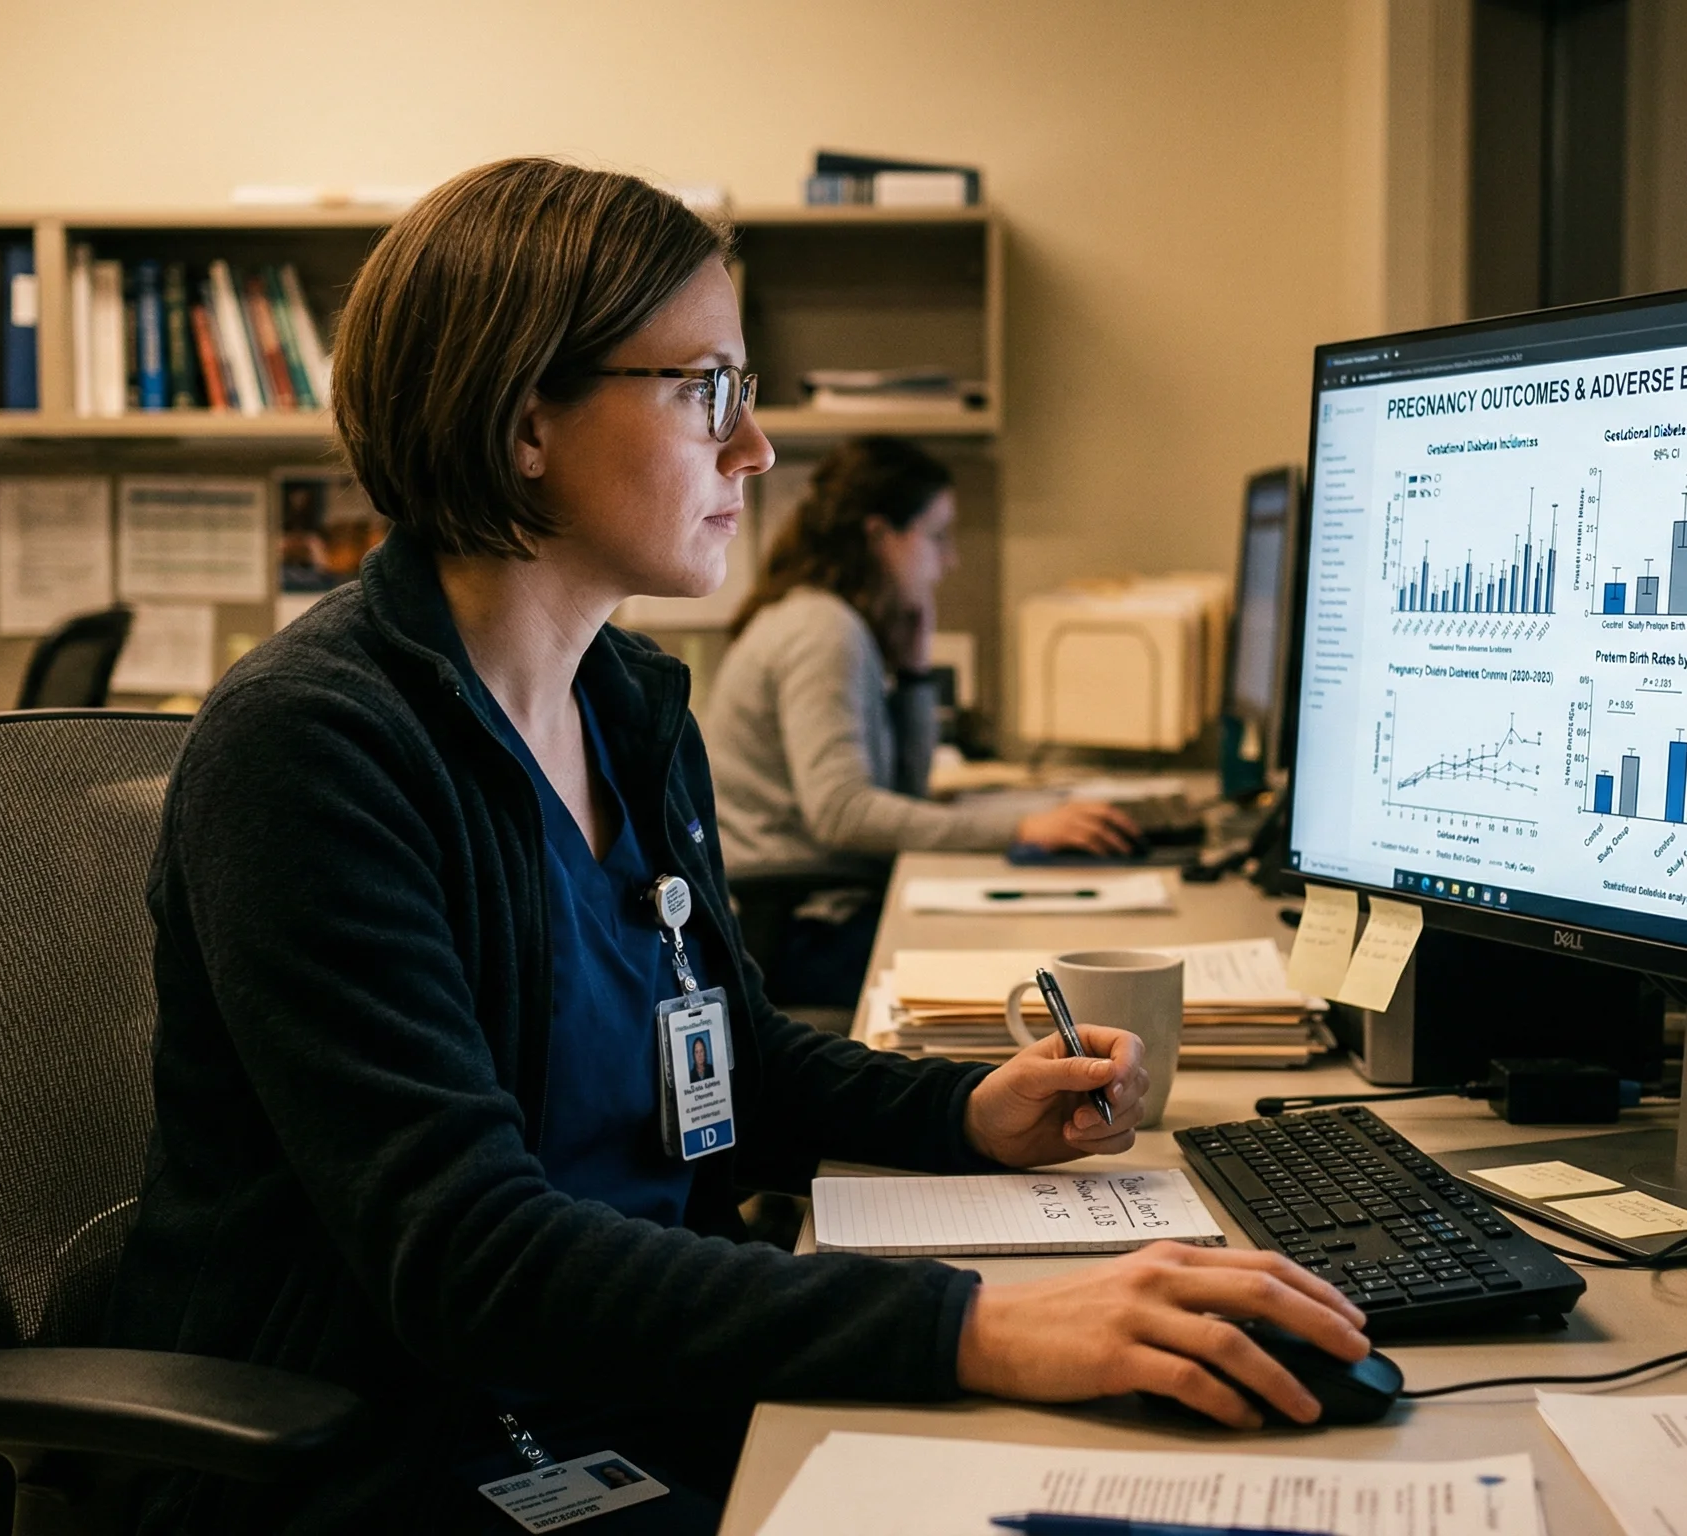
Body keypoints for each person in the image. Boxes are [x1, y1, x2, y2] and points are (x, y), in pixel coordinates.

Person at [99, 158, 1368, 1536]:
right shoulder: (314, 748)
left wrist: (959, 1113)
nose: (754, 448)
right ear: (526, 423)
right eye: (708, 389)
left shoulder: (625, 706)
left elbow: (730, 1063)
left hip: (624, 1378)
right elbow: (468, 1259)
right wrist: (977, 1327)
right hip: (393, 1446)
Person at [705, 437, 1140, 1000]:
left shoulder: (833, 623)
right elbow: (844, 815)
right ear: (881, 537)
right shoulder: (823, 630)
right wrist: (1021, 828)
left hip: (817, 913)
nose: (949, 560)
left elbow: (900, 795)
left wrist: (913, 676)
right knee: (1018, 961)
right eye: (936, 536)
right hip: (802, 932)